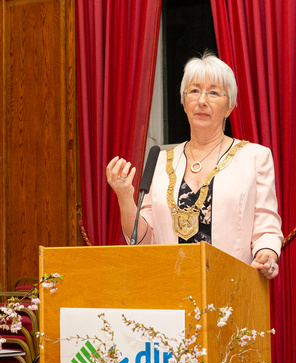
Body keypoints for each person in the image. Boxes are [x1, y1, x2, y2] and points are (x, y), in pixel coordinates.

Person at [106, 52, 283, 279]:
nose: (202, 101)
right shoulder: (161, 161)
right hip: (170, 289)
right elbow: (142, 239)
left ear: (229, 107)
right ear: (184, 102)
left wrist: (266, 253)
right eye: (195, 91)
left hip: (231, 287)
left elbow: (267, 227)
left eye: (213, 92)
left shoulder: (254, 157)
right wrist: (124, 196)